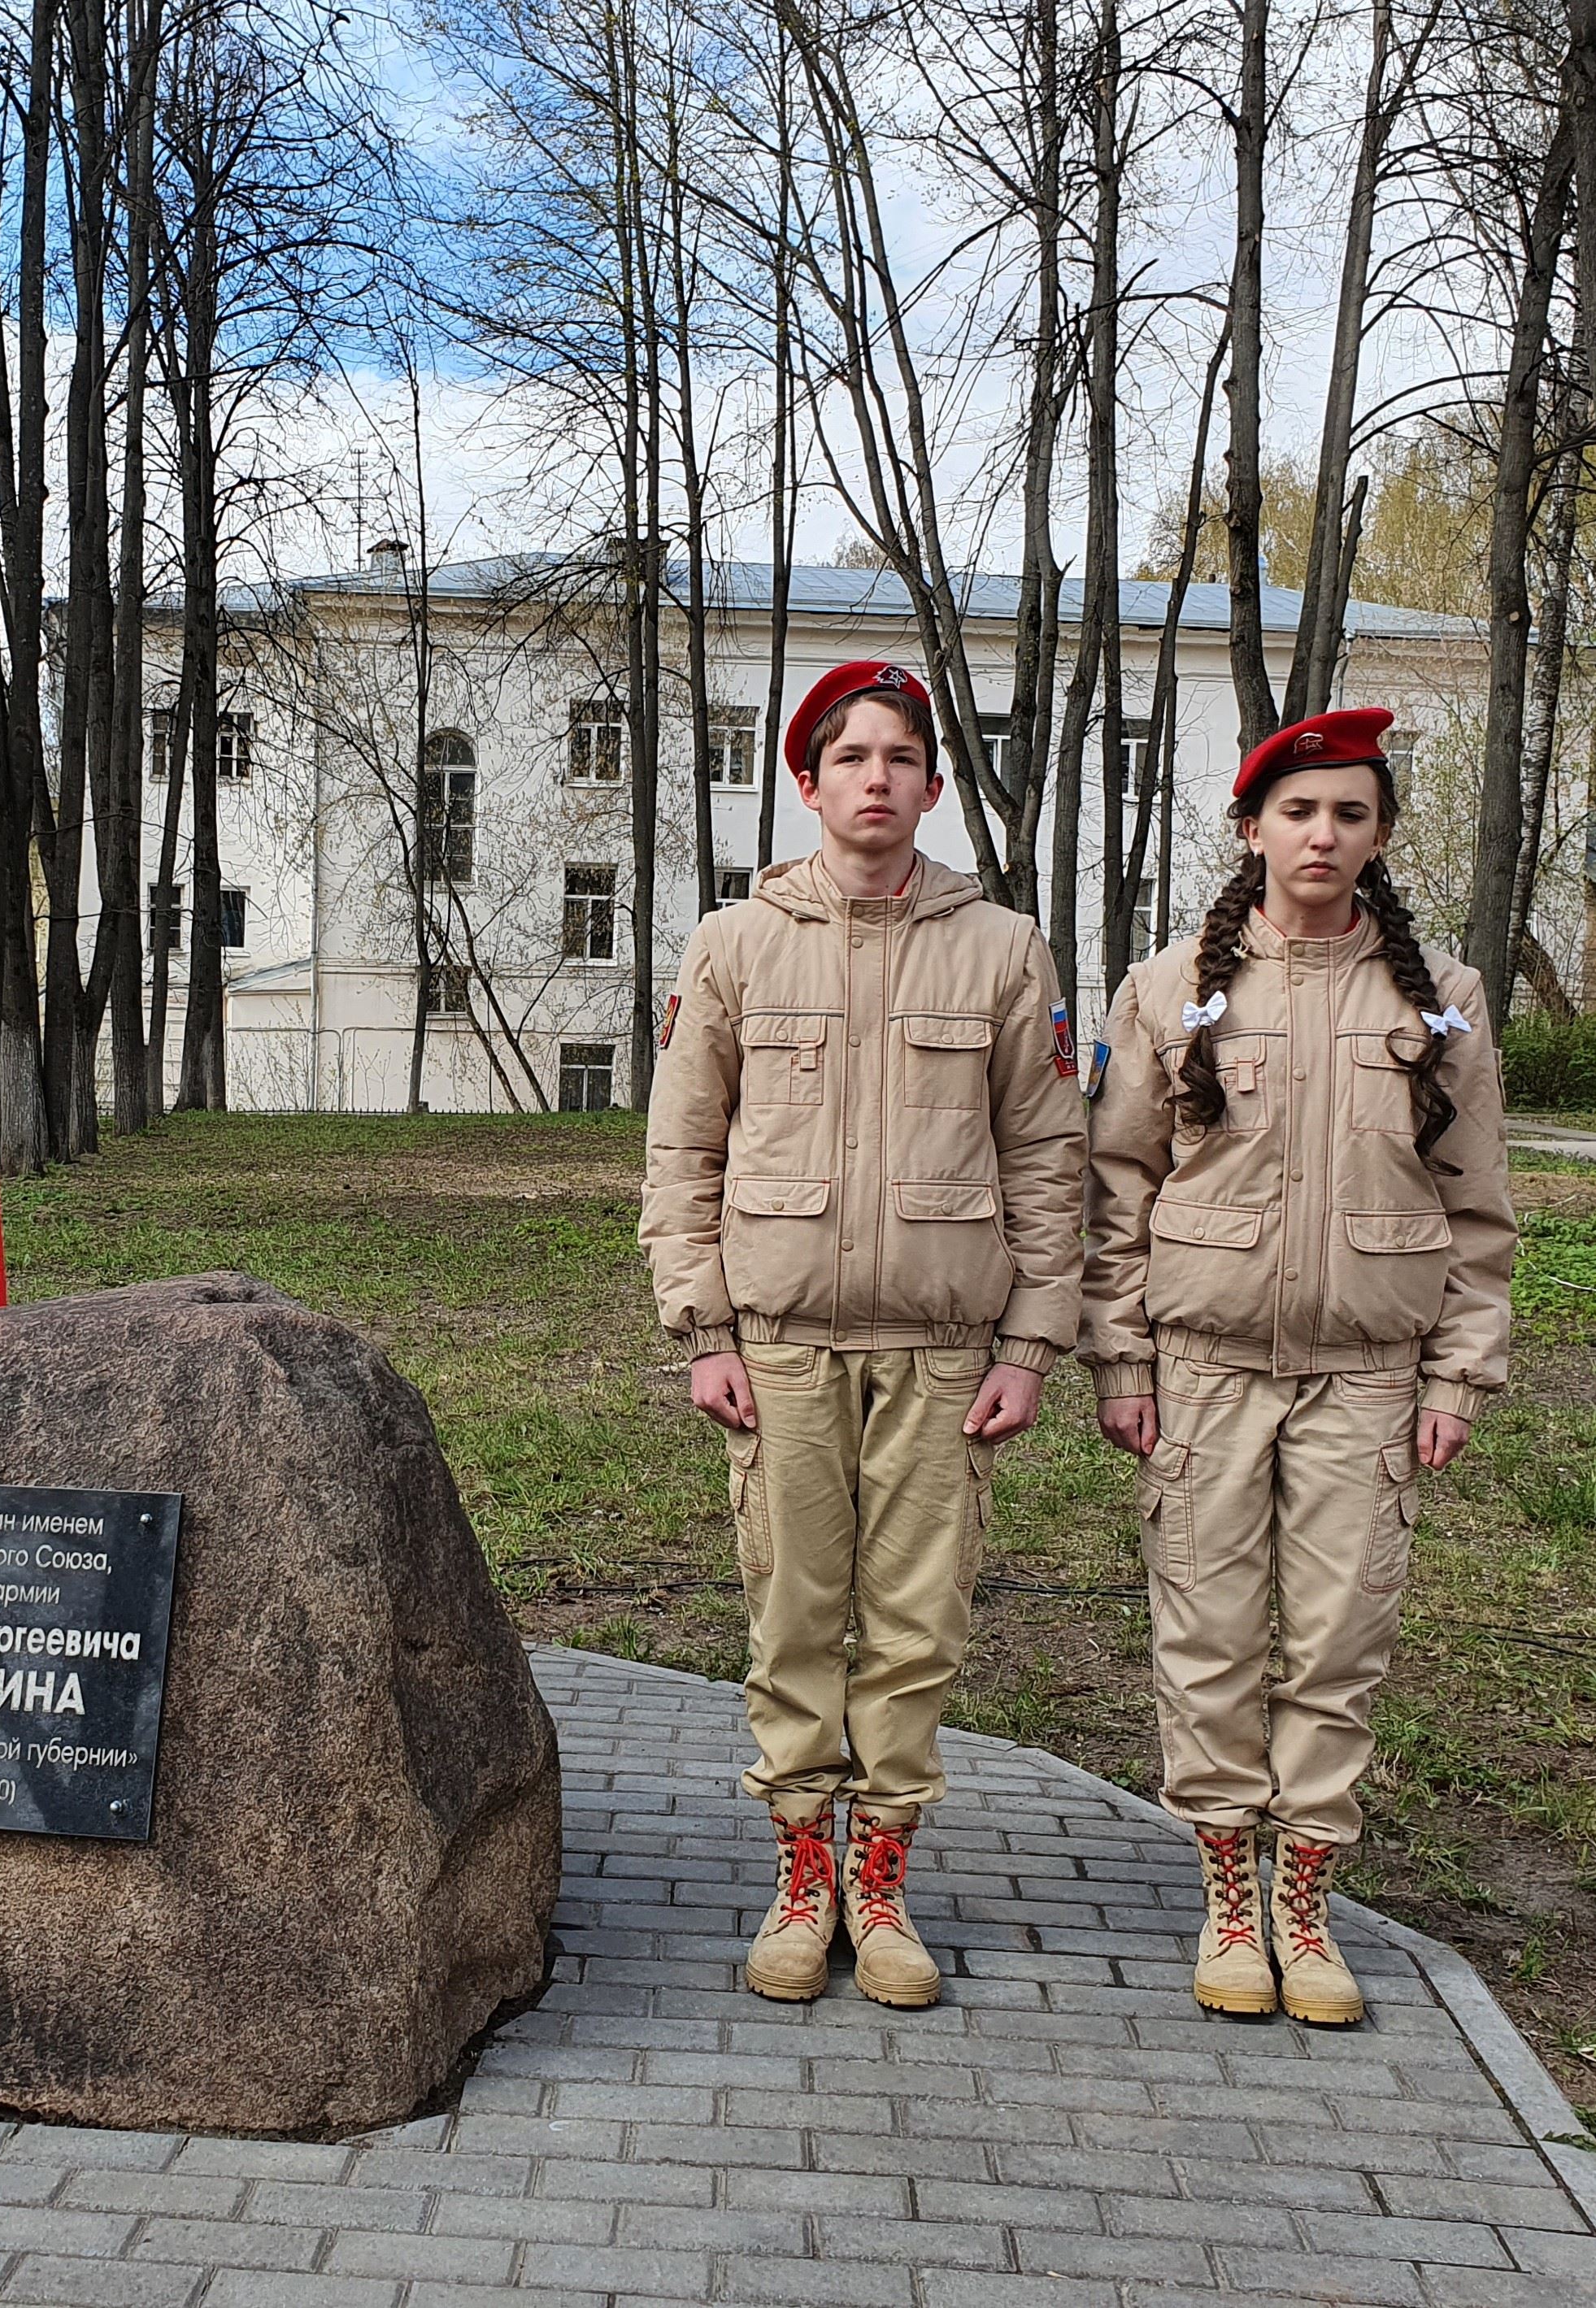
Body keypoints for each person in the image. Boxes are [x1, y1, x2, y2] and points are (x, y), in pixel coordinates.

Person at [643, 660, 1085, 2009]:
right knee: (792, 1615)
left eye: (901, 757)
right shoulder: (735, 943)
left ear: (934, 786)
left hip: (946, 1352)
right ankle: (800, 1872)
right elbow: (684, 1149)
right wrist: (703, 1325)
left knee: (913, 1628)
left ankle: (880, 1880)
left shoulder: (1003, 947)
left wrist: (1028, 1348)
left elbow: (1049, 1158)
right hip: (778, 1345)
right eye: (852, 759)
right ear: (809, 783)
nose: (877, 779)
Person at [1082, 707, 1512, 2025]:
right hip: (1205, 1368)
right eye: (1300, 812)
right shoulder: (1168, 991)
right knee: (1208, 1641)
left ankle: (1305, 1900)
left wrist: (1455, 1376)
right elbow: (1116, 1186)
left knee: (1338, 1640)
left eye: (1351, 815)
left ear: (1379, 836)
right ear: (1254, 828)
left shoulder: (1438, 994)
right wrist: (1121, 1359)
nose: (1323, 835)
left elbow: (1478, 1204)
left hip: (1369, 1374)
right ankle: (1227, 1891)